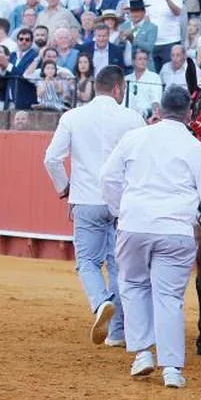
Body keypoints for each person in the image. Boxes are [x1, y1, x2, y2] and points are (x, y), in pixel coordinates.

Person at [98, 85, 201, 389]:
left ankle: (142, 354)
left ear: (158, 110)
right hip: (175, 230)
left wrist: (121, 210)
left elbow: (107, 177)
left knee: (133, 287)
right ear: (189, 114)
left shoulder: (134, 138)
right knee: (169, 298)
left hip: (134, 225)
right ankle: (171, 368)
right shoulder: (197, 148)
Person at [44, 66, 147, 348]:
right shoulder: (132, 118)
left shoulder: (73, 117)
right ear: (117, 89)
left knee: (87, 262)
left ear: (95, 87)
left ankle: (100, 301)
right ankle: (117, 333)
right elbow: (143, 160)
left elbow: (51, 159)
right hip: (121, 203)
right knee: (118, 265)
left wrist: (64, 187)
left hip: (86, 199)